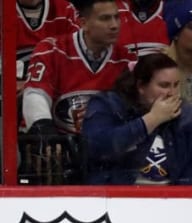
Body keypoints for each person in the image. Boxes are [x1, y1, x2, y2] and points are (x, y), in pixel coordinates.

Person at [20, 0, 135, 184]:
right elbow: (35, 93)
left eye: (117, 17)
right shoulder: (52, 49)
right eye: (105, 19)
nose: (114, 25)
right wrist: (44, 127)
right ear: (83, 22)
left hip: (104, 153)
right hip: (59, 149)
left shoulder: (126, 59)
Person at [82, 52, 192, 185]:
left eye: (176, 85)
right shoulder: (108, 104)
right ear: (141, 86)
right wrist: (152, 119)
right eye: (164, 85)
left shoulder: (185, 113)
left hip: (172, 199)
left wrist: (179, 197)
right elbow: (98, 148)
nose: (172, 93)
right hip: (119, 196)